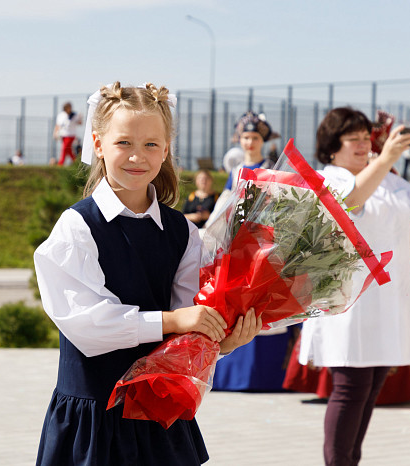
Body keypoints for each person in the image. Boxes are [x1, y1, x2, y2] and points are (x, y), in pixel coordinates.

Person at [33, 82, 262, 466]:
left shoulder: (183, 232)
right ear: (98, 144)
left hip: (161, 421)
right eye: (124, 142)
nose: (137, 156)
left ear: (167, 150)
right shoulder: (76, 227)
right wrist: (172, 320)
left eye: (151, 145)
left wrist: (219, 342)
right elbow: (88, 326)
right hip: (93, 426)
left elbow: (189, 326)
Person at [297, 107, 410, 466]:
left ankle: (350, 461)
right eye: (355, 139)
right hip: (348, 303)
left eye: (368, 138)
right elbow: (350, 202)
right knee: (350, 390)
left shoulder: (389, 180)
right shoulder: (327, 179)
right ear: (333, 146)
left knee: (370, 390)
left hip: (390, 299)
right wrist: (388, 159)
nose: (365, 145)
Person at [206, 111, 278, 227]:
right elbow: (225, 199)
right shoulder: (236, 170)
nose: (250, 142)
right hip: (237, 227)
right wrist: (210, 224)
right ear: (240, 139)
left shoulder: (270, 168)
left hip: (264, 227)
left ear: (262, 140)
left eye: (255, 138)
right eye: (246, 137)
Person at [53, 101, 83, 166]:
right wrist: (55, 133)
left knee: (64, 149)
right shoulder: (61, 115)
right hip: (63, 136)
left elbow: (80, 123)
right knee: (68, 150)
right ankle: (76, 163)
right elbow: (58, 125)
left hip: (70, 136)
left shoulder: (74, 115)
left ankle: (60, 164)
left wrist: (80, 117)